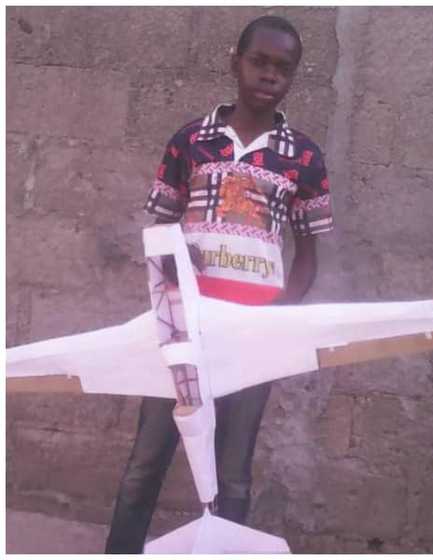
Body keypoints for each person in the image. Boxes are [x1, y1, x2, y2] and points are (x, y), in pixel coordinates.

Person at [106, 15, 332, 552]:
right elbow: (160, 233)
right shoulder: (192, 141)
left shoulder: (302, 156)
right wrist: (172, 308)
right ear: (236, 61)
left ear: (293, 75)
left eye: (283, 68)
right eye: (259, 62)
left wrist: (273, 322)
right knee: (145, 463)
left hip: (252, 339)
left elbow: (307, 256)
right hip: (183, 332)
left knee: (233, 477)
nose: (269, 75)